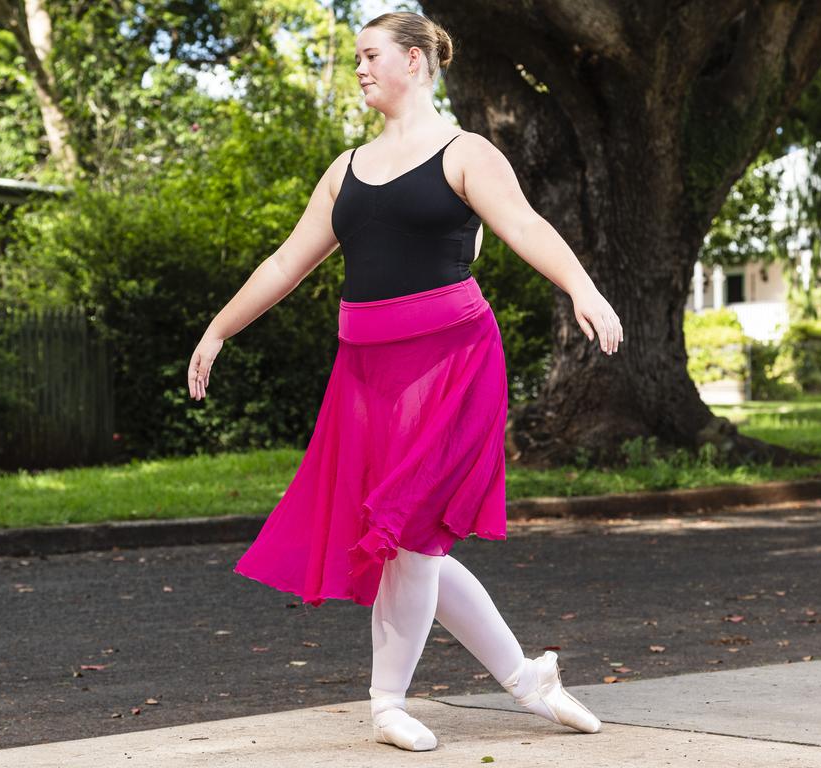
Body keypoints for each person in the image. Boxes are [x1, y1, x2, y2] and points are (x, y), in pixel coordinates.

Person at [187, 10, 623, 753]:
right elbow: (286, 263)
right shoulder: (345, 170)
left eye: (370, 55)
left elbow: (524, 227)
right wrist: (219, 328)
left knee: (412, 538)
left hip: (453, 363)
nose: (358, 68)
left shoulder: (466, 153)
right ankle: (527, 678)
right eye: (355, 57)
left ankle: (386, 700)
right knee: (408, 540)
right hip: (367, 376)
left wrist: (583, 288)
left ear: (416, 61)